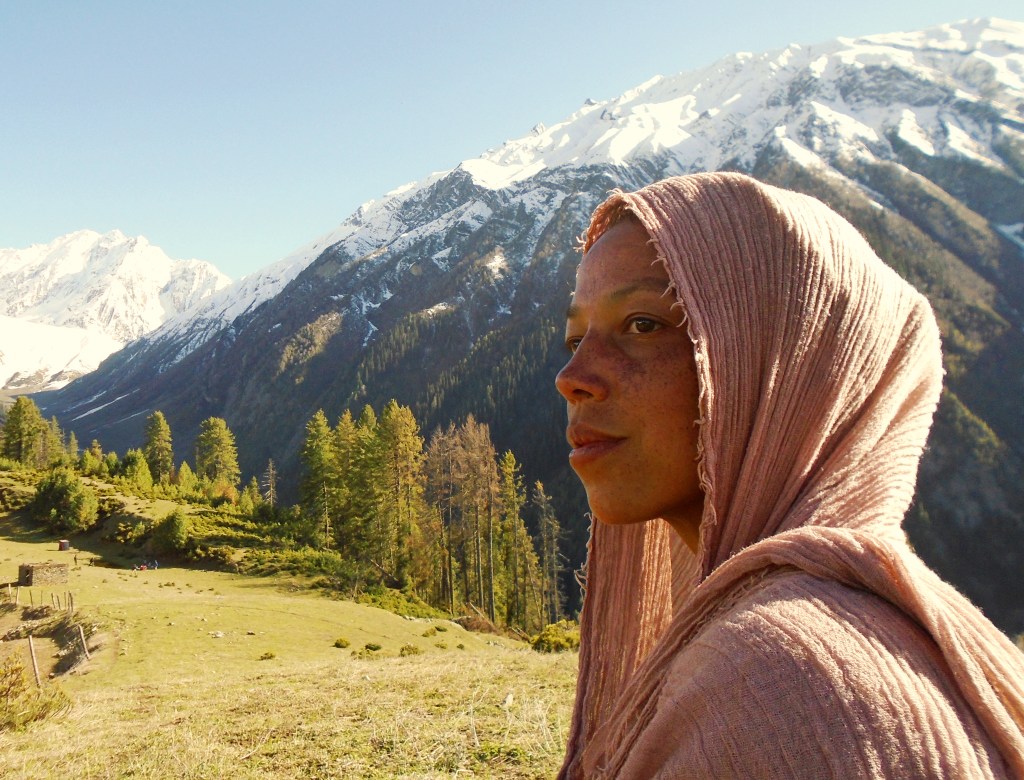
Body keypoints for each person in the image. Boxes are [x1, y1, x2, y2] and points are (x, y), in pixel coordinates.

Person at [555, 173, 1024, 778]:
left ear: (788, 371)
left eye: (643, 325)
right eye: (574, 336)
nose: (573, 375)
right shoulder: (844, 627)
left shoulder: (780, 682)